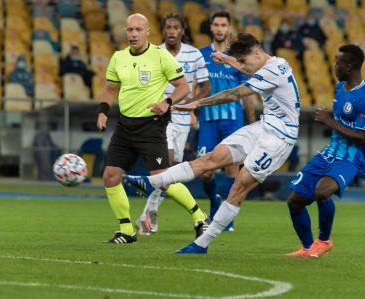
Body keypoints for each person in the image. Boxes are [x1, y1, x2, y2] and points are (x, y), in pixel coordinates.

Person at [124, 33, 301, 254]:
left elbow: (234, 93)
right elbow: (247, 69)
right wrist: (226, 58)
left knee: (239, 186)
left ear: (256, 53)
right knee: (211, 158)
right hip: (264, 127)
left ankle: (201, 244)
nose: (244, 66)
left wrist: (196, 103)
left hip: (280, 137)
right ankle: (150, 182)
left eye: (244, 60)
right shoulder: (275, 62)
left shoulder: (272, 71)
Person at [97, 13, 209, 244]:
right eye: (130, 30)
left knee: (162, 180)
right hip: (125, 126)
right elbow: (110, 89)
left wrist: (166, 103)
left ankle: (200, 217)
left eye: (138, 29)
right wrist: (102, 111)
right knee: (110, 176)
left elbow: (183, 87)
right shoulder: (118, 58)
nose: (134, 34)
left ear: (148, 32)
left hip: (151, 126)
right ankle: (127, 231)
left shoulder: (161, 56)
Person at [286, 45, 365, 258]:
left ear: (349, 66)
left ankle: (324, 241)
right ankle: (308, 248)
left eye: (337, 63)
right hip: (328, 153)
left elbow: (363, 138)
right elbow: (340, 119)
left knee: (322, 191)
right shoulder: (340, 88)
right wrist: (331, 116)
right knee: (295, 201)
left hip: (351, 158)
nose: (334, 66)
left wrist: (330, 122)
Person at [135, 13, 211, 235]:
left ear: (182, 31)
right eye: (167, 27)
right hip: (159, 116)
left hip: (182, 118)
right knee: (166, 162)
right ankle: (151, 216)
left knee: (171, 169)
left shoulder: (194, 54)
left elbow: (206, 86)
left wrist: (192, 104)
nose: (171, 31)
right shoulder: (153, 53)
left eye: (175, 27)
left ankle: (148, 214)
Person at [197, 11, 255, 231]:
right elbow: (197, 87)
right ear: (211, 28)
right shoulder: (201, 55)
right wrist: (192, 112)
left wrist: (252, 125)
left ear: (229, 28)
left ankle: (226, 218)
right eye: (216, 25)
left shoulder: (237, 57)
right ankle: (214, 201)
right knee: (206, 172)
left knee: (233, 170)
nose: (220, 29)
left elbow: (247, 93)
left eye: (224, 25)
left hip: (233, 121)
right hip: (208, 121)